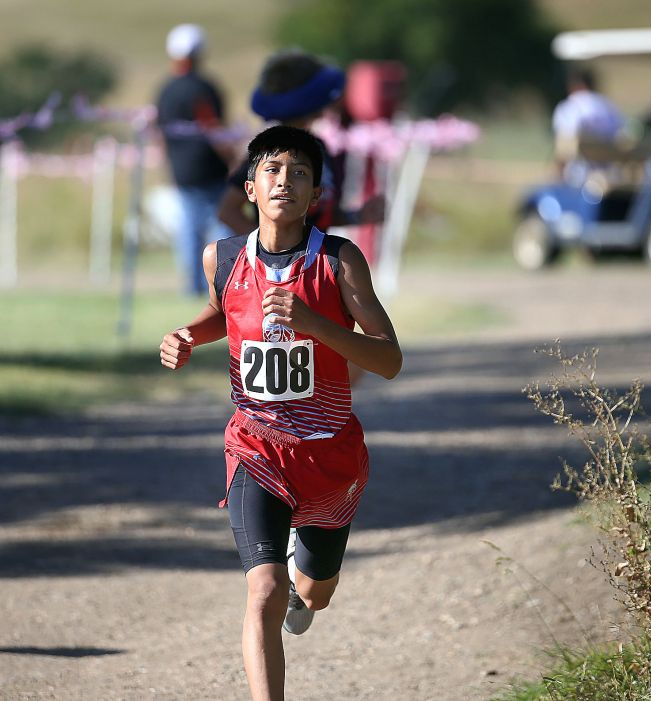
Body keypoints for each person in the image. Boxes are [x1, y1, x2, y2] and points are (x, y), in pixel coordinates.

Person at [159, 125, 402, 700]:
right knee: (262, 590)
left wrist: (317, 324)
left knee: (312, 594)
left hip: (330, 453)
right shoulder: (222, 257)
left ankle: (305, 581)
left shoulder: (340, 261)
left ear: (315, 193)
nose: (284, 182)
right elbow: (225, 311)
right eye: (272, 170)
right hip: (256, 447)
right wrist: (188, 335)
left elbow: (389, 358)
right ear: (250, 187)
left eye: (298, 173)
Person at [218, 50, 384, 237]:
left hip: (318, 262)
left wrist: (358, 216)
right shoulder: (268, 150)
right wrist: (265, 251)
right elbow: (228, 211)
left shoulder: (319, 148)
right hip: (280, 266)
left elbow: (321, 214)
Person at [155, 23, 235, 295]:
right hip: (210, 169)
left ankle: (192, 287)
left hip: (181, 170)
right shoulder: (204, 88)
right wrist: (233, 158)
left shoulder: (165, 90)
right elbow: (212, 127)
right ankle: (223, 284)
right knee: (223, 226)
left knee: (189, 229)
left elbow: (159, 133)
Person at [551, 67, 626, 182]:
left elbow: (565, 143)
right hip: (611, 173)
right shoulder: (608, 105)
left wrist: (558, 176)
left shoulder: (570, 106)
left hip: (580, 174)